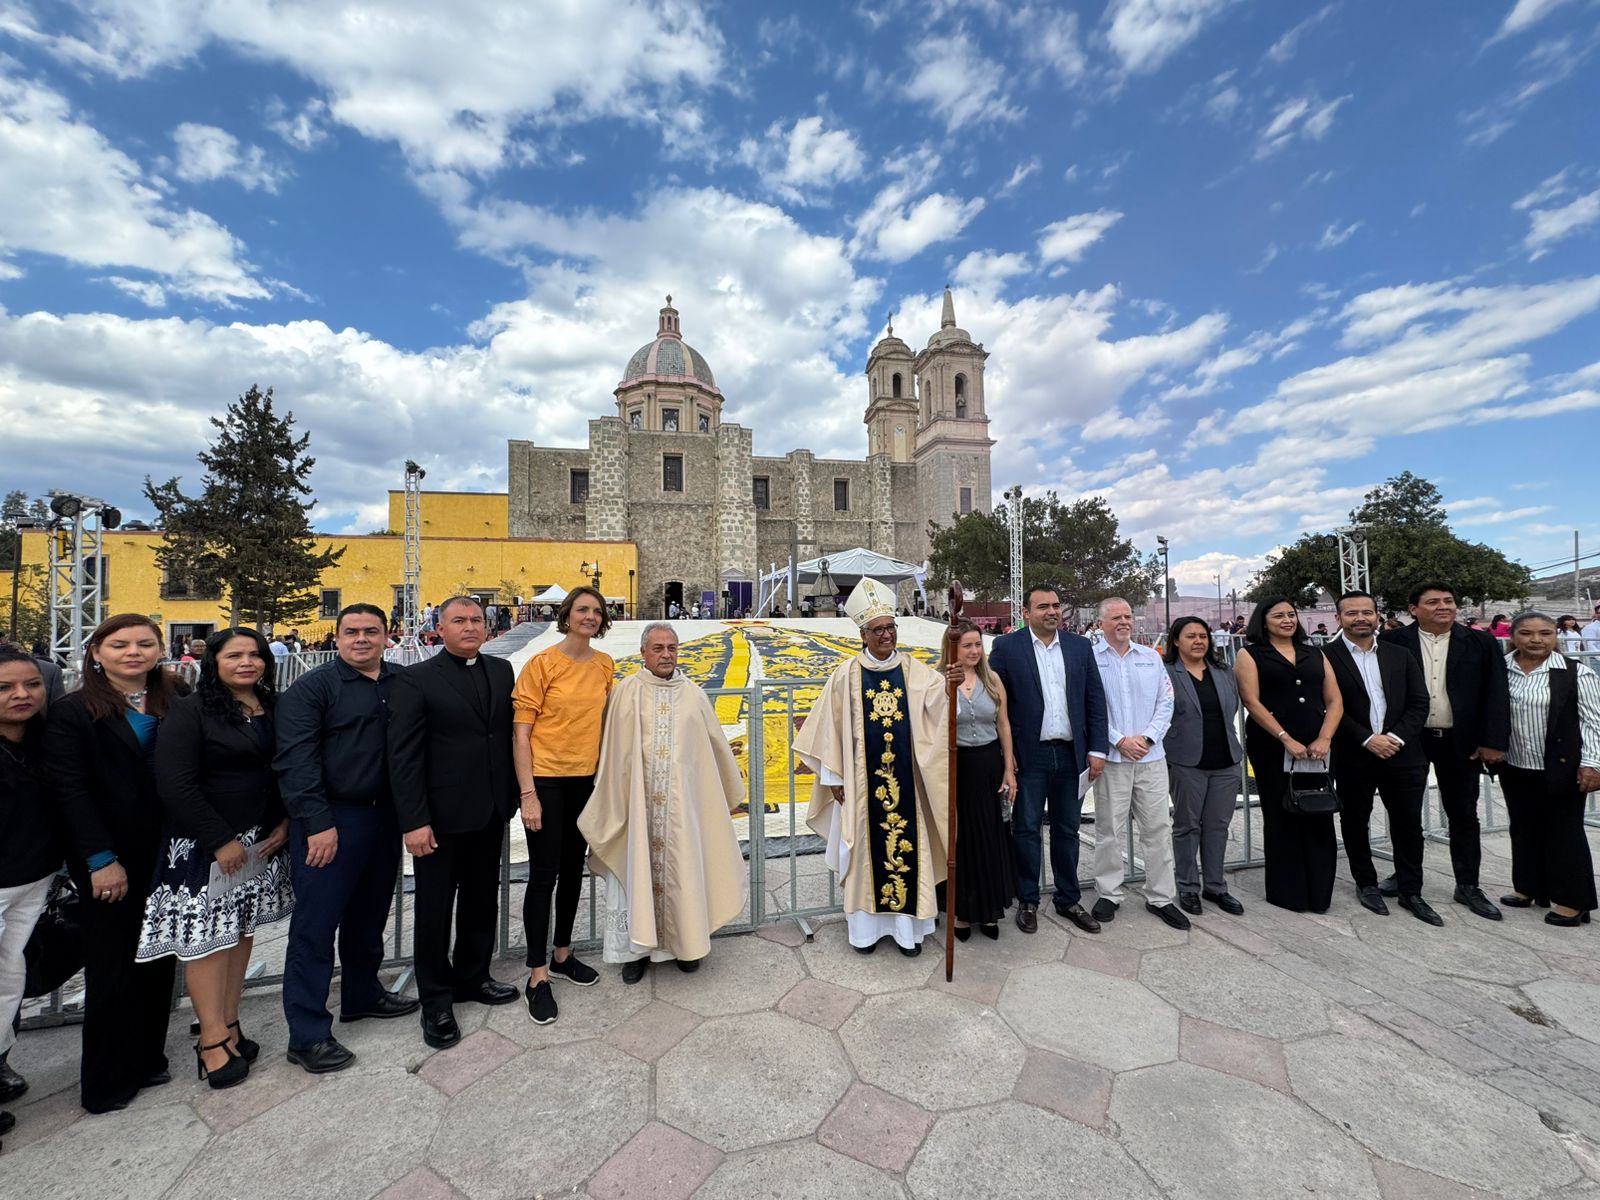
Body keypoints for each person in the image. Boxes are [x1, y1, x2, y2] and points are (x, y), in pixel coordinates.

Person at [138, 629, 293, 1089]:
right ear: (215, 661)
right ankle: (210, 1041)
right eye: (235, 655)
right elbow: (175, 783)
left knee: (240, 930)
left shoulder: (273, 705)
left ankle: (230, 1022)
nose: (247, 663)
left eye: (255, 655)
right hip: (208, 845)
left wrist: (283, 822)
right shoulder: (191, 710)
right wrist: (220, 839)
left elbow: (283, 769)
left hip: (257, 839)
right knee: (207, 940)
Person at [46, 615, 184, 1112]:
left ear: (160, 648)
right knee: (112, 964)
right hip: (109, 854)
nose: (134, 652)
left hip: (169, 848)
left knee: (158, 954)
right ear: (97, 652)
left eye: (145, 643)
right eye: (120, 644)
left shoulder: (177, 696)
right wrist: (100, 859)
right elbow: (70, 789)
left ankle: (148, 1056)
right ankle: (107, 1080)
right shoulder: (72, 712)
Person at [275, 603, 419, 1075]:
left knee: (369, 914)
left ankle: (362, 993)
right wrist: (316, 822)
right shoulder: (312, 689)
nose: (362, 639)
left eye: (371, 631)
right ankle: (308, 1033)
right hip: (332, 820)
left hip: (384, 819)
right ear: (337, 638)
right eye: (352, 631)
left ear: (387, 636)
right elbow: (297, 761)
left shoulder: (401, 683)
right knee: (315, 928)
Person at [580, 623, 745, 982]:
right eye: (658, 648)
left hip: (682, 811)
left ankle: (686, 945)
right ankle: (634, 952)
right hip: (636, 809)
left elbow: (712, 753)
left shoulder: (694, 695)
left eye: (672, 648)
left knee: (685, 871)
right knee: (633, 875)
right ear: (643, 653)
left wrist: (716, 798)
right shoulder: (626, 692)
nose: (666, 655)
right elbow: (614, 757)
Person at [388, 597, 519, 1050]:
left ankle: (473, 976)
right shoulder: (416, 679)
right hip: (438, 820)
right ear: (438, 629)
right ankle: (436, 999)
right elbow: (403, 757)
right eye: (459, 621)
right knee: (434, 910)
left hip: (488, 811)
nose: (469, 628)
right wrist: (415, 820)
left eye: (476, 621)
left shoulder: (501, 672)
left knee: (482, 900)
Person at [794, 578, 949, 955]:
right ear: (863, 635)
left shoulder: (913, 670)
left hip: (906, 785)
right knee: (864, 853)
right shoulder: (846, 676)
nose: (886, 635)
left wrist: (951, 685)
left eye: (891, 628)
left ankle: (907, 933)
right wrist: (832, 778)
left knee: (908, 849)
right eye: (878, 630)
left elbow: (939, 705)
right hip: (862, 787)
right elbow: (828, 731)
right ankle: (864, 934)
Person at [511, 587, 613, 1024]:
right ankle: (537, 975)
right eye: (582, 610)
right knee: (543, 875)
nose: (590, 616)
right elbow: (521, 735)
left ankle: (563, 953)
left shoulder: (605, 665)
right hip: (547, 782)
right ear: (566, 615)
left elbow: (608, 724)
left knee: (574, 872)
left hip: (583, 782)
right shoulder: (542, 665)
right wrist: (528, 794)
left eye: (597, 611)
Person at [1380, 583, 1510, 920]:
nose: (1443, 607)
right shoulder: (1393, 642)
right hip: (1410, 738)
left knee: (1463, 814)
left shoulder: (1480, 642)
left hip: (1460, 741)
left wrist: (1492, 740)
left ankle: (1468, 884)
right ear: (1413, 609)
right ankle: (1406, 878)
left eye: (1448, 601)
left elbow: (1496, 692)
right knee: (1405, 814)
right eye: (1433, 602)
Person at [987, 584, 1108, 935]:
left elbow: (1095, 700)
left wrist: (1097, 749)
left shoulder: (1080, 647)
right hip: (1031, 756)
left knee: (1068, 830)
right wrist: (1007, 759)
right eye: (1043, 607)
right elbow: (998, 706)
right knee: (1026, 829)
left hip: (1071, 756)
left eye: (1056, 605)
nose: (1052, 611)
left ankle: (1068, 899)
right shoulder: (1007, 648)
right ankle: (1027, 899)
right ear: (1026, 613)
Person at [1323, 592, 1437, 925]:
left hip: (1403, 755)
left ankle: (1411, 890)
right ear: (1338, 618)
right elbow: (1328, 706)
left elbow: (1419, 703)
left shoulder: (1400, 654)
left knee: (1408, 826)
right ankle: (1366, 883)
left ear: (1377, 616)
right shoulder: (1325, 658)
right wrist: (1367, 739)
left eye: (1367, 612)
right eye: (1352, 613)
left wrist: (1395, 738)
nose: (1361, 618)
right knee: (1355, 822)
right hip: (1355, 755)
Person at [1234, 597, 1343, 914]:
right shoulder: (1250, 654)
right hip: (1272, 745)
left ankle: (1319, 892)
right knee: (1282, 814)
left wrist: (1325, 736)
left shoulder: (1315, 653)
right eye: (1278, 615)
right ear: (1263, 621)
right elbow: (1251, 701)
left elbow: (1334, 699)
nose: (1287, 620)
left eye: (1291, 614)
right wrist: (1285, 738)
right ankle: (1288, 892)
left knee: (1318, 811)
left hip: (1317, 746)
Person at [1089, 599, 1188, 929]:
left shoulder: (1150, 657)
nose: (1124, 622)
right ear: (1101, 623)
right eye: (1116, 617)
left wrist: (1146, 738)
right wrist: (1118, 740)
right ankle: (1109, 892)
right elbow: (1092, 707)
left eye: (1128, 616)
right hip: (1113, 759)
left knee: (1158, 829)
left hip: (1151, 758)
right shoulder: (1091, 659)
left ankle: (1160, 896)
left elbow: (1167, 702)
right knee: (1109, 830)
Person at [1497, 612, 1600, 926]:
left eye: (1545, 633)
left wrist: (1593, 763)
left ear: (1556, 636)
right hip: (1515, 765)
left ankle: (1573, 900)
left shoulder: (1575, 673)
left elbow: (1593, 723)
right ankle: (1529, 887)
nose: (1536, 640)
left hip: (1561, 767)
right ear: (1514, 636)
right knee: (1524, 828)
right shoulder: (1501, 670)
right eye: (1527, 633)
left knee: (1564, 833)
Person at [0, 649, 60, 1133]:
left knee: (8, 983)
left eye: (31, 685)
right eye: (5, 688)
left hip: (31, 879)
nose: (22, 695)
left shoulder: (43, 739)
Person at [936, 621, 1017, 940]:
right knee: (961, 841)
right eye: (966, 645)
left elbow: (1004, 725)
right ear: (952, 647)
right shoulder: (937, 679)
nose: (973, 651)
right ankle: (961, 912)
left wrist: (1008, 768)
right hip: (954, 765)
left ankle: (988, 909)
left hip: (986, 764)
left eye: (977, 645)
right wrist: (946, 688)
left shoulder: (992, 678)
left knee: (989, 836)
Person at [1162, 617, 1245, 916]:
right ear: (1175, 641)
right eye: (1191, 636)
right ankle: (1187, 886)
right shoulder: (1167, 673)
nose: (1198, 641)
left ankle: (1215, 886)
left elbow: (1233, 707)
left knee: (1218, 826)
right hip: (1186, 762)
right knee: (1187, 826)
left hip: (1225, 761)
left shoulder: (1223, 672)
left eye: (1203, 636)